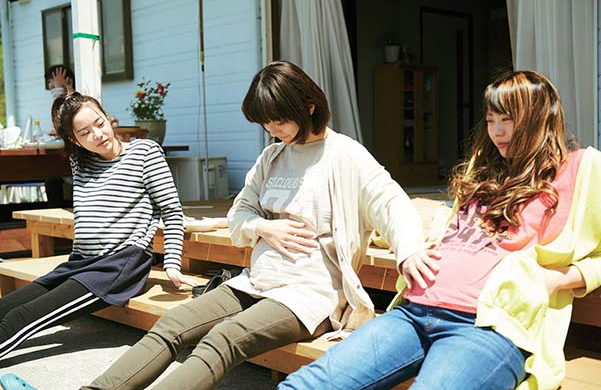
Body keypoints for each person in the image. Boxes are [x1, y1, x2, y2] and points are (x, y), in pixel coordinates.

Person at [82, 60, 424, 390]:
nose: (271, 131)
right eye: (265, 123)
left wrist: (409, 252)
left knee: (224, 339)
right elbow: (239, 213)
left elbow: (392, 203)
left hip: (309, 295)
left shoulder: (346, 156)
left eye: (278, 121)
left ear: (308, 106)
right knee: (172, 324)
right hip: (258, 281)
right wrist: (263, 227)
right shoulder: (272, 157)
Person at [279, 70, 601, 390]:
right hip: (414, 311)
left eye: (507, 119)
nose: (496, 132)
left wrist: (559, 279)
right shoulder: (484, 169)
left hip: (486, 325)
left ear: (540, 117)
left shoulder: (580, 167)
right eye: (490, 120)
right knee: (302, 386)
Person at [0, 92, 198, 361]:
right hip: (81, 262)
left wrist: (172, 263)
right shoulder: (81, 162)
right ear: (74, 140)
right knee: (6, 306)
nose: (98, 134)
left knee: (21, 317)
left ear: (108, 117)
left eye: (100, 123)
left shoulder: (145, 152)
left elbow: (172, 211)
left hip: (118, 265)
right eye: (85, 132)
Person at [44, 64, 77, 207]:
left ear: (68, 81)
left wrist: (60, 88)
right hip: (63, 160)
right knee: (50, 177)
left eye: (54, 81)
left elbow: (62, 114)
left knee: (52, 177)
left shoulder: (76, 100)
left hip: (76, 160)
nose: (51, 86)